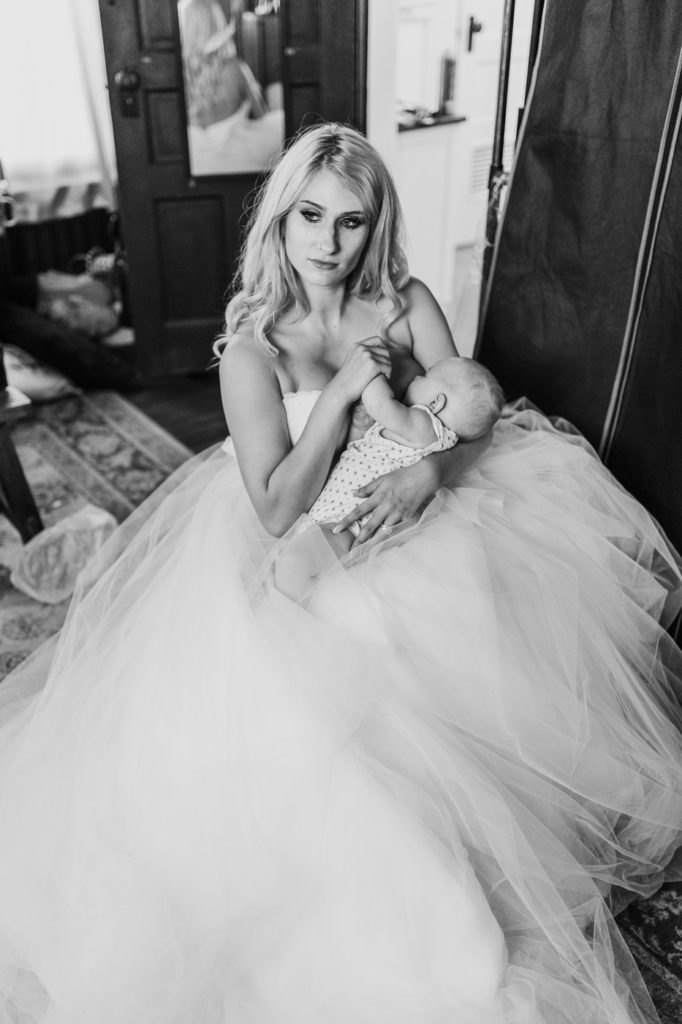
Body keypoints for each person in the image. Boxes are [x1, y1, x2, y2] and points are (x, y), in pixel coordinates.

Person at [0, 123, 681, 1024]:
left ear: (376, 226)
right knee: (328, 658)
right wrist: (343, 400)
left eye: (351, 221)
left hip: (421, 504)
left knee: (460, 609)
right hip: (299, 532)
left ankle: (473, 831)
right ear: (280, 221)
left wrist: (425, 471)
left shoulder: (405, 304)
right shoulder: (252, 348)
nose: (327, 241)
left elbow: (475, 410)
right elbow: (276, 506)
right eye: (310, 216)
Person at [275, 354, 504, 599]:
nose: (416, 377)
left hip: (354, 518)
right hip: (344, 511)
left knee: (294, 566)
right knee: (299, 571)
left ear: (436, 402)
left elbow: (379, 405)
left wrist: (370, 370)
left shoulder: (423, 424)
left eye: (425, 377)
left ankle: (289, 622)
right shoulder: (432, 436)